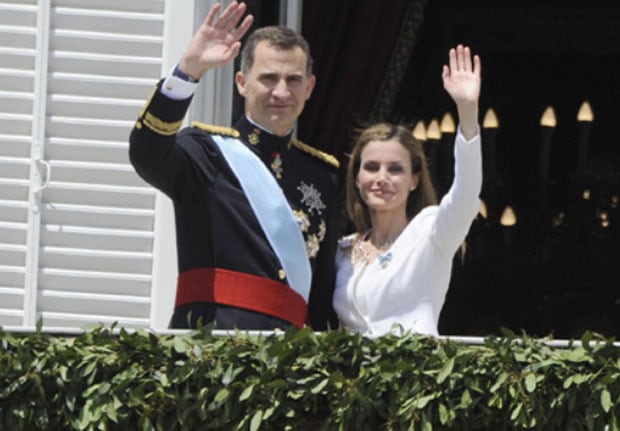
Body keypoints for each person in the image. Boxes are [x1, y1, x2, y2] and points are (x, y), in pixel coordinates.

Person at [129, 2, 340, 330]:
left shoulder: (322, 176)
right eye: (268, 78)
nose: (281, 92)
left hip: (290, 360)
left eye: (294, 80)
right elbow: (147, 153)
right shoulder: (205, 153)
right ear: (242, 83)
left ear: (309, 87)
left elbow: (322, 292)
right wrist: (189, 69)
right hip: (211, 347)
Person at [333, 44, 482, 337]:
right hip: (350, 380)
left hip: (414, 377)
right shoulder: (342, 251)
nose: (382, 178)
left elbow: (466, 195)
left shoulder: (431, 232)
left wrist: (467, 111)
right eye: (372, 167)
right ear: (357, 177)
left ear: (414, 179)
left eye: (396, 169)